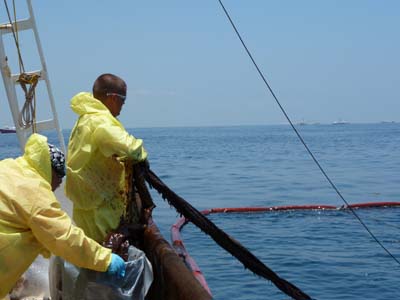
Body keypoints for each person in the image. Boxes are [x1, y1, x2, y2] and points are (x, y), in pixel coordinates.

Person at [0, 133, 126, 299]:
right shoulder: (36, 192)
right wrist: (105, 260)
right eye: (58, 181)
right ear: (50, 171)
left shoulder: (9, 166)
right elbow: (64, 237)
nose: (56, 187)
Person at [65, 73, 148, 243]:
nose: (123, 106)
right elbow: (130, 149)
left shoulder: (85, 118)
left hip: (85, 205)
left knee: (91, 255)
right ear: (112, 98)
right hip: (99, 209)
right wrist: (143, 155)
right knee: (104, 256)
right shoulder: (100, 121)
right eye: (123, 100)